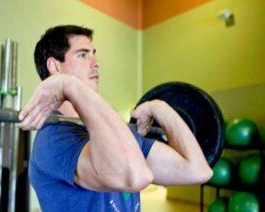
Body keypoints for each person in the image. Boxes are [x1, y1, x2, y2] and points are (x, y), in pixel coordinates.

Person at [17, 25, 212, 212]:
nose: (96, 62)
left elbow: (198, 170)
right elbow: (136, 176)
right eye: (83, 54)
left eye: (94, 53)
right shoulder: (54, 140)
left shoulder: (116, 133)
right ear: (54, 66)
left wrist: (160, 107)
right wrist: (69, 86)